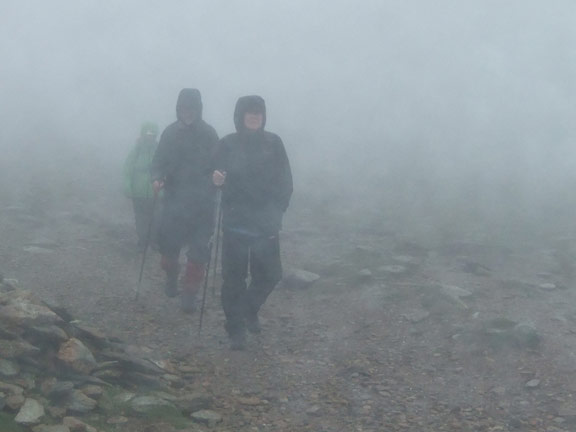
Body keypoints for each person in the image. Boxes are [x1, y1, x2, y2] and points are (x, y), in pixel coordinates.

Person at [213, 95, 293, 350]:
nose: (255, 116)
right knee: (234, 279)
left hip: (266, 223)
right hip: (236, 222)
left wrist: (278, 209)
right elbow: (212, 175)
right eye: (250, 112)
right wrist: (214, 180)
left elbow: (285, 180)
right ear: (240, 115)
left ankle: (246, 311)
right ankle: (236, 328)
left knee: (269, 275)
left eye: (259, 112)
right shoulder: (227, 144)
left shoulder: (273, 143)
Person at [150, 89, 219, 313]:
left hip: (203, 202)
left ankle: (190, 293)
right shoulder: (170, 133)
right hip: (174, 200)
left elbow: (219, 164)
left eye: (191, 109)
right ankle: (171, 274)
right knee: (168, 248)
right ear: (178, 109)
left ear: (198, 110)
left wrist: (219, 178)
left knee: (199, 250)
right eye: (183, 109)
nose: (187, 113)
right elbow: (158, 161)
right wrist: (157, 178)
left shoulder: (209, 134)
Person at [123, 121, 160, 250]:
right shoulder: (137, 150)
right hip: (138, 191)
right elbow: (127, 168)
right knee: (140, 218)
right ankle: (143, 241)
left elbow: (166, 169)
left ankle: (153, 241)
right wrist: (127, 186)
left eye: (152, 134)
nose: (150, 136)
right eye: (148, 134)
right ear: (143, 134)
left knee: (155, 217)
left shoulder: (160, 150)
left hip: (156, 191)